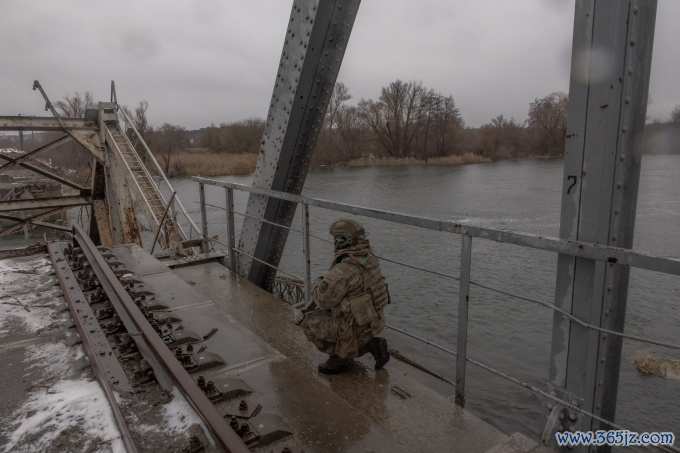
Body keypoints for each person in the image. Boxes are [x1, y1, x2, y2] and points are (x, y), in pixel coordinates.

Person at [297, 218, 391, 374]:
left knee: (303, 319)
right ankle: (372, 345)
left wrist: (317, 283)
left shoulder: (344, 268)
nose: (333, 241)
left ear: (342, 240)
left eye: (334, 238)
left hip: (356, 328)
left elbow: (323, 301)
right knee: (341, 315)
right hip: (374, 323)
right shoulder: (370, 257)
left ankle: (341, 359)